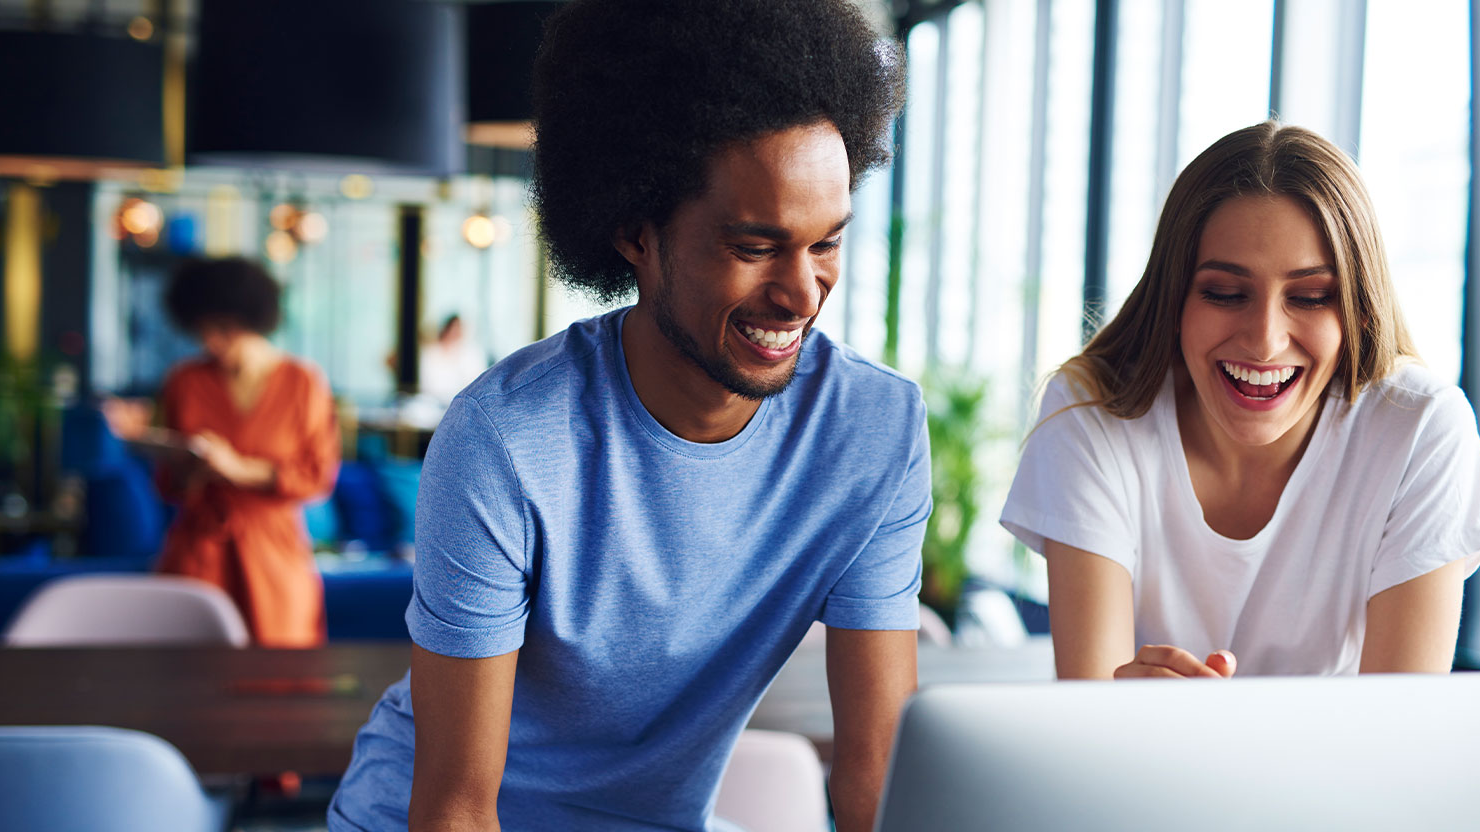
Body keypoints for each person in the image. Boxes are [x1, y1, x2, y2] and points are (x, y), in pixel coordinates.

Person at [328, 1, 923, 830]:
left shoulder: (874, 432)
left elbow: (879, 768)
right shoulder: (506, 439)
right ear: (635, 232)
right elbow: (455, 807)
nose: (800, 292)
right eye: (755, 247)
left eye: (825, 242)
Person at [1001, 121, 1480, 680]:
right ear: (1174, 300)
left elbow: (1398, 732)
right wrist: (1121, 711)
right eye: (1224, 293)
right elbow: (1088, 714)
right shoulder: (1093, 413)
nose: (1265, 339)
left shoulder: (1420, 428)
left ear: (1359, 311)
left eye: (1312, 297)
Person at [156, 257, 340, 648]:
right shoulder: (185, 381)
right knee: (186, 671)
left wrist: (238, 469)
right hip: (199, 549)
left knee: (278, 674)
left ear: (252, 322)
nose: (211, 342)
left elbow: (316, 478)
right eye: (202, 330)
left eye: (223, 329)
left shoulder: (303, 383)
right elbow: (168, 484)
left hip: (274, 552)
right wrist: (189, 467)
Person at [417, 313, 488, 403]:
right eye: (453, 331)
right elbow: (426, 386)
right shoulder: (430, 353)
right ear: (445, 330)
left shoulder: (471, 354)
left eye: (458, 331)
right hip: (432, 402)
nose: (455, 335)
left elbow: (476, 383)